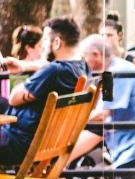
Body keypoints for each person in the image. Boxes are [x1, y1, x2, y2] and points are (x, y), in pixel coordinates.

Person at [0, 17, 89, 164]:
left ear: (57, 42)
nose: (42, 47)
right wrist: (24, 66)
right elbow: (48, 65)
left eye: (45, 41)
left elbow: (14, 98)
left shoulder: (53, 71)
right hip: (44, 143)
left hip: (19, 143)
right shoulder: (82, 68)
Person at [78, 34, 135, 179]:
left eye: (84, 57)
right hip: (129, 148)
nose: (82, 62)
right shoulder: (113, 70)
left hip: (134, 149)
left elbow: (103, 114)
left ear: (96, 55)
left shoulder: (116, 73)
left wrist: (74, 118)